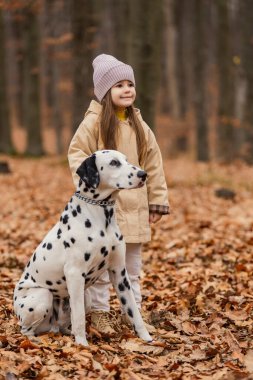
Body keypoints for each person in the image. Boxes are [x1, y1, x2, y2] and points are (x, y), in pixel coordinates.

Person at [68, 54, 169, 334]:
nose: (127, 89)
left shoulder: (139, 124)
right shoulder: (94, 123)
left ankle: (131, 312)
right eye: (119, 85)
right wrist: (92, 183)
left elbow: (153, 163)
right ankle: (99, 312)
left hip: (134, 207)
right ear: (104, 92)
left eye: (130, 84)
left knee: (132, 268)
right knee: (101, 268)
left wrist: (157, 200)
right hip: (102, 209)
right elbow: (77, 154)